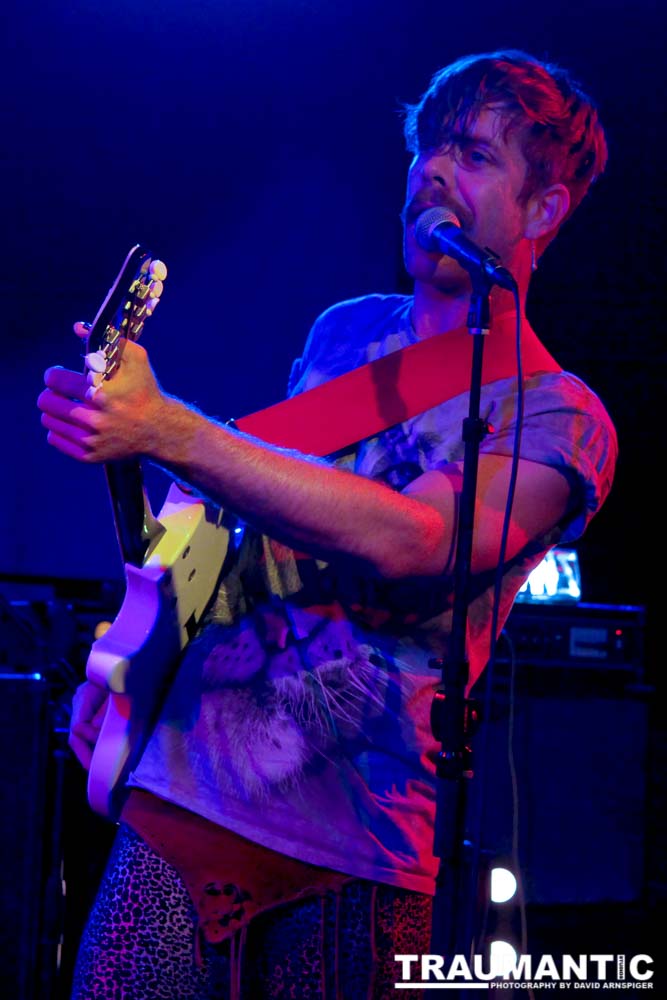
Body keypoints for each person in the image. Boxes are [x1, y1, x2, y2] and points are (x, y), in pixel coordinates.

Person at [37, 48, 617, 999]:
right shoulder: (341, 333)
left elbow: (417, 542)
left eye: (474, 154)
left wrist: (169, 428)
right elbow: (238, 530)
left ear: (544, 207)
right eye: (429, 148)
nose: (434, 170)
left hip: (355, 849)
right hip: (183, 792)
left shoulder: (561, 415)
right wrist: (130, 663)